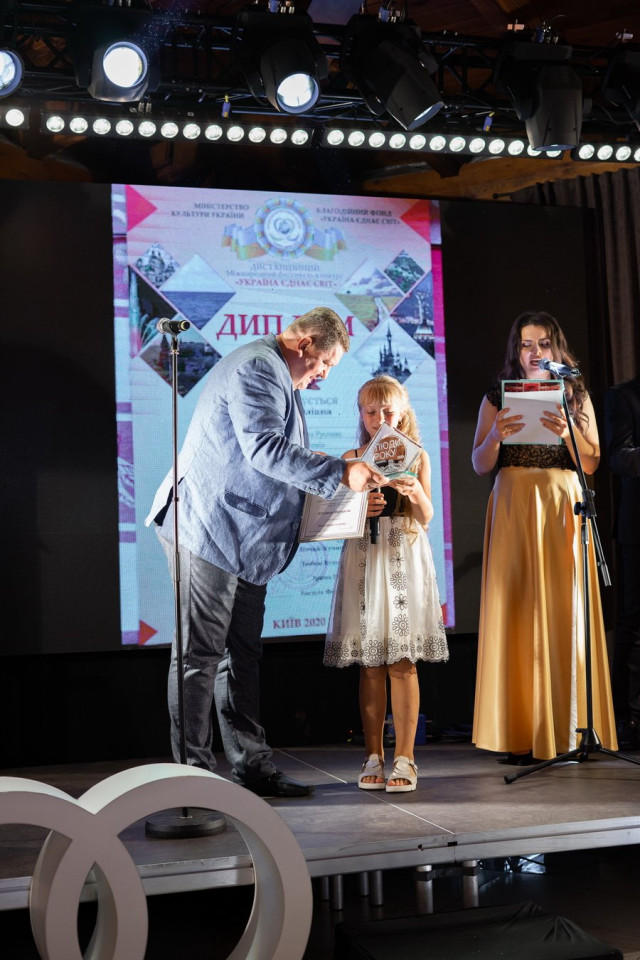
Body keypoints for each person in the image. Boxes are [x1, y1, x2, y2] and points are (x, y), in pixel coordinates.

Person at [146, 307, 385, 798]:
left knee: (241, 656)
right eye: (325, 364)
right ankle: (192, 784)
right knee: (199, 656)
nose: (323, 375)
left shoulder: (278, 372)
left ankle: (252, 768)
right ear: (305, 344)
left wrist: (333, 468)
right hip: (206, 528)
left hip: (243, 539)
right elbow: (265, 450)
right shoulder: (257, 366)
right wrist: (341, 473)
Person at [471, 310, 617, 764]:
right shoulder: (498, 395)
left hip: (560, 508)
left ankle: (568, 730)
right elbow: (479, 462)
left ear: (557, 347)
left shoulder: (574, 393)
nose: (535, 352)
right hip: (514, 506)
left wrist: (568, 432)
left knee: (563, 610)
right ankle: (520, 732)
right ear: (515, 351)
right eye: (526, 344)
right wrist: (495, 436)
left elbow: (591, 462)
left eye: (543, 344)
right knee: (516, 612)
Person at [324, 375, 449, 792]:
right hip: (365, 557)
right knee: (371, 663)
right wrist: (362, 507)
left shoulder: (418, 456)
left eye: (388, 411)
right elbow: (335, 519)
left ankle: (406, 759)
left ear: (403, 412)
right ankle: (373, 755)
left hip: (405, 556)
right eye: (371, 412)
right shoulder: (352, 458)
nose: (380, 419)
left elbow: (427, 517)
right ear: (361, 415)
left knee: (402, 661)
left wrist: (414, 494)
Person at [605, 375, 640, 749]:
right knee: (635, 621)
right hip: (638, 528)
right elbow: (618, 456)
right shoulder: (624, 397)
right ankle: (630, 719)